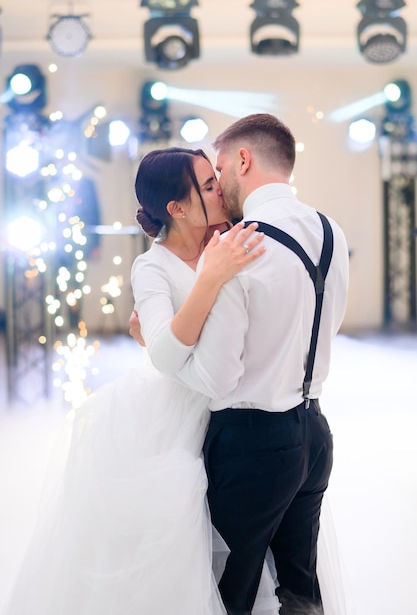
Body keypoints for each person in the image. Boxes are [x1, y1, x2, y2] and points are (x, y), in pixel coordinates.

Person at [2, 146, 280, 615]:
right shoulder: (151, 267)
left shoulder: (231, 239)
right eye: (208, 186)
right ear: (178, 208)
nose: (220, 190)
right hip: (173, 417)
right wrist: (207, 283)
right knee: (181, 548)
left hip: (242, 406)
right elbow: (168, 354)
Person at [130, 114, 349, 615]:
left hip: (251, 442)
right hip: (314, 431)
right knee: (299, 592)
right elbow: (323, 326)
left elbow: (216, 377)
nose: (218, 184)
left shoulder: (236, 247)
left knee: (231, 595)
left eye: (218, 172)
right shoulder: (329, 230)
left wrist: (157, 346)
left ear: (242, 162)